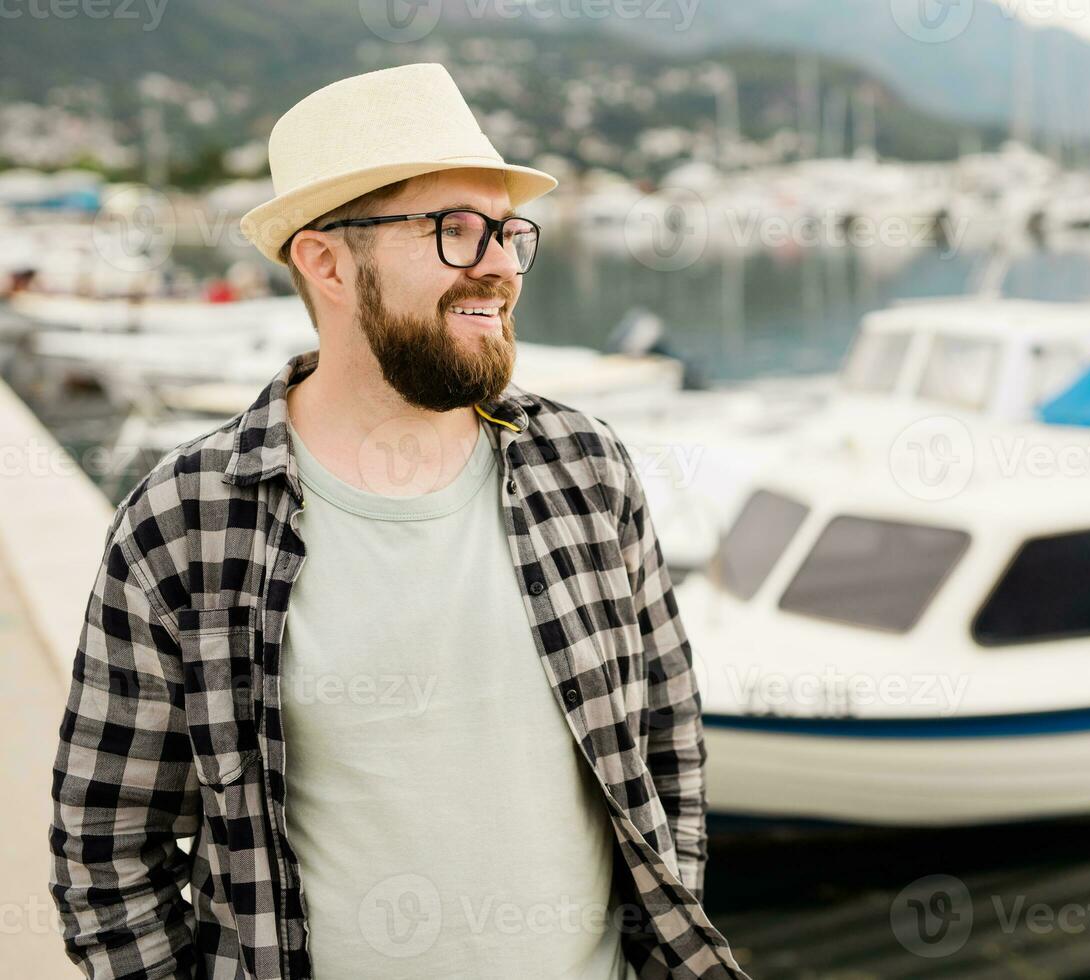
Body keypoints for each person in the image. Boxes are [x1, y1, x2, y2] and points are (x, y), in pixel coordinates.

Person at [49, 62, 749, 980]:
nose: (499, 265)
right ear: (328, 261)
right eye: (455, 231)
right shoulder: (184, 524)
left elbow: (667, 749)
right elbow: (106, 857)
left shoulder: (587, 469)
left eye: (506, 231)